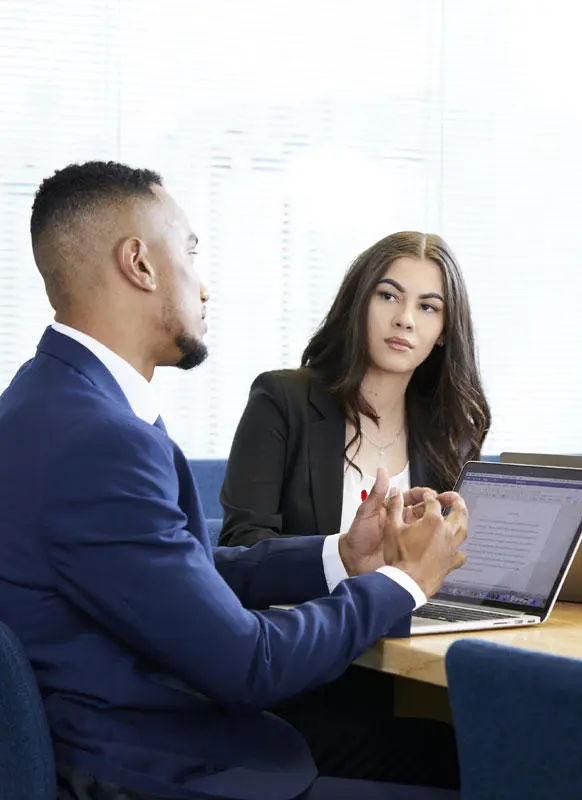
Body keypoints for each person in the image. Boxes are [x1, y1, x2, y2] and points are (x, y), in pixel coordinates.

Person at [0, 160, 469, 800]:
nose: (203, 285)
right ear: (139, 264)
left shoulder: (53, 401)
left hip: (150, 738)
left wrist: (340, 556)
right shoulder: (97, 439)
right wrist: (402, 582)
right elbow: (250, 663)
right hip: (152, 769)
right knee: (494, 770)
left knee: (453, 750)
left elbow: (182, 575)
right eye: (189, 253)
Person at [218, 230, 490, 548]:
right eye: (388, 296)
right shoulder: (281, 401)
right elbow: (242, 546)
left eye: (428, 307)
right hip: (312, 599)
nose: (405, 319)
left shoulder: (448, 431)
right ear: (358, 304)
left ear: (444, 332)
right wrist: (343, 555)